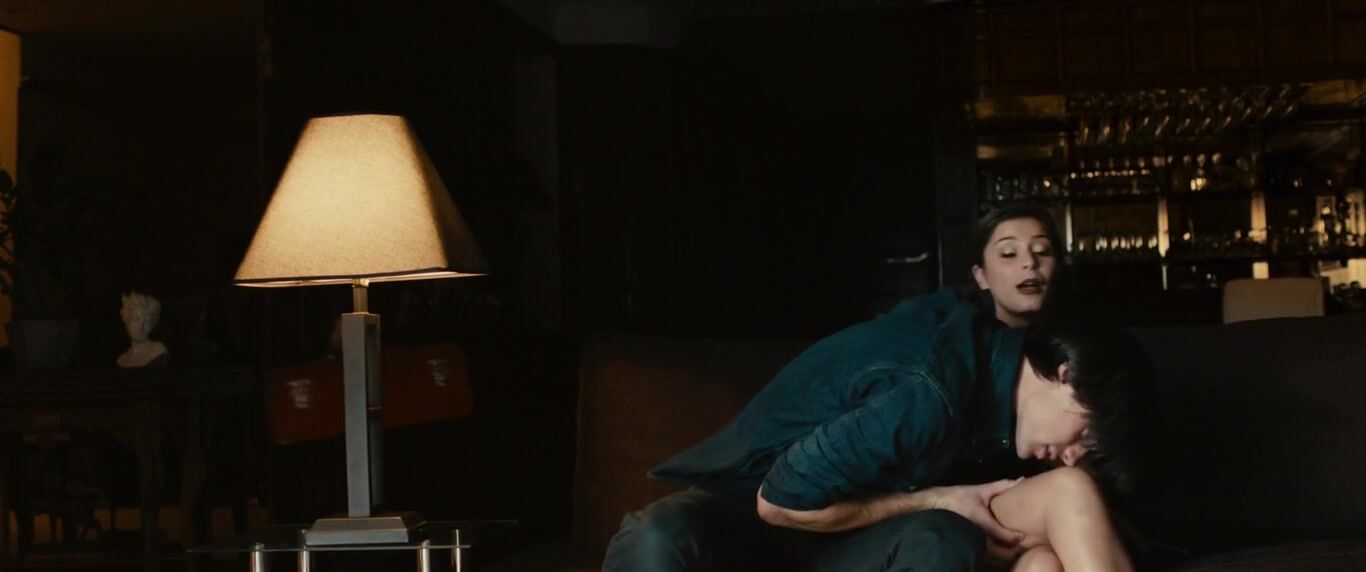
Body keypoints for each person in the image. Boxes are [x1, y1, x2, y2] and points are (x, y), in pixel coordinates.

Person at [603, 207, 1153, 571]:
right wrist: (941, 498)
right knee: (659, 536)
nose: (1075, 454)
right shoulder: (928, 387)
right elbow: (778, 503)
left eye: (1042, 251)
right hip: (759, 513)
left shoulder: (999, 369)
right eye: (1087, 434)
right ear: (1064, 374)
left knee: (1000, 546)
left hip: (859, 533)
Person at [117, 291, 169, 368]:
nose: (142, 325)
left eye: (146, 320)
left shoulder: (158, 349)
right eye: (136, 319)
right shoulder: (123, 359)